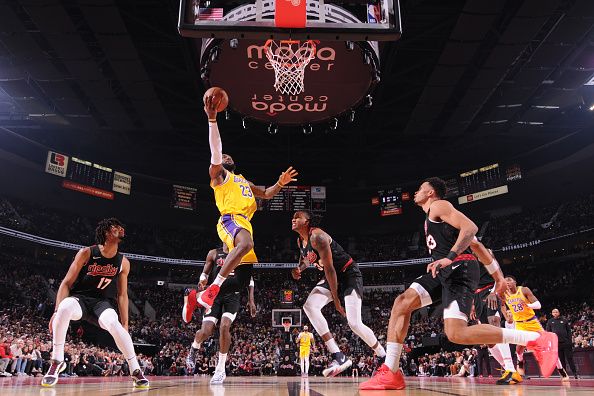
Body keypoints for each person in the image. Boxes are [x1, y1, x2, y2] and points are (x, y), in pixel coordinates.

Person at [360, 177, 558, 390]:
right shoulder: (440, 220)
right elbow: (477, 246)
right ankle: (391, 372)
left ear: (430, 192)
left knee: (457, 334)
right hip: (444, 270)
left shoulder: (439, 205)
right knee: (402, 303)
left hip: (458, 268)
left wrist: (451, 256)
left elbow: (471, 228)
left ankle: (537, 338)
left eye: (420, 188)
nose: (416, 191)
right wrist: (498, 278)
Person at [186, 92, 299, 313]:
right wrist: (212, 119)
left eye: (228, 156)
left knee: (241, 279)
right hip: (230, 220)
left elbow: (266, 193)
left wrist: (280, 182)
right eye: (223, 157)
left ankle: (195, 297)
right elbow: (216, 151)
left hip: (245, 224)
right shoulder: (218, 176)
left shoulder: (244, 181)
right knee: (246, 245)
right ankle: (212, 291)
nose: (225, 157)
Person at [41, 218, 149, 388]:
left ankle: (135, 370)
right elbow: (66, 283)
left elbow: (122, 295)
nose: (120, 229)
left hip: (101, 303)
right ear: (106, 232)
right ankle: (57, 361)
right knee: (64, 307)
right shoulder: (87, 253)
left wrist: (126, 324)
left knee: (115, 325)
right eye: (115, 227)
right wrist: (55, 312)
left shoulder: (123, 262)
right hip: (80, 299)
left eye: (121, 227)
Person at [291, 210, 386, 377]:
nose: (293, 219)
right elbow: (308, 258)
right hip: (331, 277)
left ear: (307, 222)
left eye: (298, 217)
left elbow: (330, 269)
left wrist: (336, 300)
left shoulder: (317, 237)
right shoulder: (301, 240)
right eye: (293, 217)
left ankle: (382, 356)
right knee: (310, 306)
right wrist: (300, 268)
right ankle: (338, 355)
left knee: (354, 323)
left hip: (347, 274)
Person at [184, 244, 256, 385]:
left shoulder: (241, 253)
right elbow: (204, 274)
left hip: (232, 296)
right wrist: (202, 280)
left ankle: (220, 369)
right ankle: (194, 348)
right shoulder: (213, 253)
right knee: (205, 331)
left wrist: (251, 300)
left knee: (224, 327)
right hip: (214, 296)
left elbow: (249, 279)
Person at [468, 242, 520, 385]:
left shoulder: (487, 255)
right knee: (489, 338)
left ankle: (510, 369)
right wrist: (472, 304)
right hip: (478, 297)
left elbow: (500, 277)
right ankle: (509, 370)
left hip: (491, 291)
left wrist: (495, 292)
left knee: (494, 324)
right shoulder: (469, 262)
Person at [501, 277, 569, 382]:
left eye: (509, 280)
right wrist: (506, 316)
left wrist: (527, 305)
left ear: (515, 282)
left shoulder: (523, 290)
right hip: (519, 324)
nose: (507, 283)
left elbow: (538, 305)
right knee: (519, 349)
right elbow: (501, 305)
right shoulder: (504, 294)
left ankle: (561, 369)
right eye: (505, 282)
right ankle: (520, 362)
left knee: (547, 347)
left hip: (532, 322)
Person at [547, 308, 578, 379]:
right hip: (557, 344)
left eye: (556, 312)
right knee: (561, 360)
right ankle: (564, 375)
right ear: (552, 313)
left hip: (566, 343)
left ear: (559, 313)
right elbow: (548, 333)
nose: (555, 313)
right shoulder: (550, 321)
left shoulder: (564, 320)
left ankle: (575, 374)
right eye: (553, 312)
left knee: (570, 358)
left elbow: (569, 331)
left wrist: (570, 341)